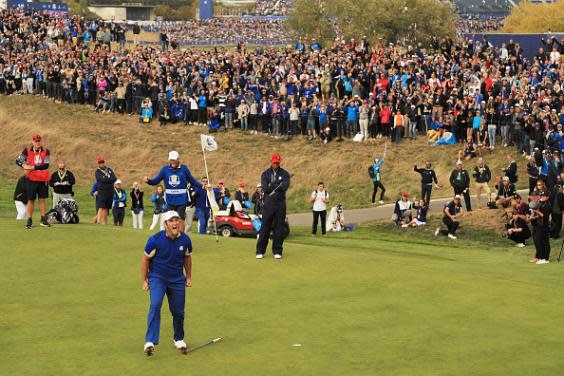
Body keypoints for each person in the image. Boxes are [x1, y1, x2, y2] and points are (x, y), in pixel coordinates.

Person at [141, 210, 192, 356]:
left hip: (177, 279)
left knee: (178, 311)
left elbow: (187, 258)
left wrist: (188, 277)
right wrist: (144, 280)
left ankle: (179, 338)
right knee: (155, 304)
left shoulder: (185, 240)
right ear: (165, 224)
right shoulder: (155, 240)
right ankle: (150, 341)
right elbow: (145, 260)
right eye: (171, 221)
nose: (175, 223)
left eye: (177, 220)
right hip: (158, 277)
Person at [145, 151, 204, 232]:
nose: (172, 162)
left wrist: (202, 186)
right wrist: (148, 181)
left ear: (178, 159)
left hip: (182, 199)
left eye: (174, 160)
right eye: (171, 160)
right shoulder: (164, 169)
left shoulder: (184, 169)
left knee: (180, 220)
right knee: (170, 219)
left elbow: (192, 180)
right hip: (170, 200)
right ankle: (169, 237)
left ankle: (181, 237)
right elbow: (155, 181)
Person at [256, 153, 291, 259]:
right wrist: (277, 184)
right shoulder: (265, 174)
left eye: (277, 162)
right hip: (268, 203)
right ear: (271, 161)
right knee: (265, 227)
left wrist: (273, 184)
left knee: (279, 228)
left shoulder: (285, 173)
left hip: (280, 203)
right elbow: (266, 189)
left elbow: (284, 186)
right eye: (274, 162)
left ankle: (277, 250)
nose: (276, 164)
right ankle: (260, 251)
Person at [19, 134, 51, 229]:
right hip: (32, 178)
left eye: (39, 141)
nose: (37, 143)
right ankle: (29, 220)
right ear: (32, 141)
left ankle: (43, 219)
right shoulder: (27, 150)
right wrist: (24, 166)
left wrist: (32, 167)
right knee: (31, 199)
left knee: (42, 199)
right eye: (35, 141)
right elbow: (18, 160)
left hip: (42, 178)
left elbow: (46, 165)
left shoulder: (46, 151)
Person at [528, 191, 551, 264]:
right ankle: (541, 257)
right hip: (539, 225)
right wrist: (534, 216)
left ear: (547, 197)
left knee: (545, 242)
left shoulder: (547, 205)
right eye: (541, 196)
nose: (542, 197)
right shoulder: (541, 203)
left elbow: (545, 216)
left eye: (544, 196)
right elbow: (539, 215)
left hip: (544, 226)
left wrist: (537, 211)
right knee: (539, 242)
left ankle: (545, 259)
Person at [95, 156, 117, 225]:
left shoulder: (109, 169)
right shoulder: (97, 171)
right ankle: (98, 221)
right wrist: (109, 179)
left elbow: (114, 178)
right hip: (102, 191)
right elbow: (102, 179)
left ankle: (105, 223)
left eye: (102, 162)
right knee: (101, 206)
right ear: (98, 163)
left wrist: (107, 179)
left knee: (106, 208)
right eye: (100, 162)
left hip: (110, 191)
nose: (101, 163)